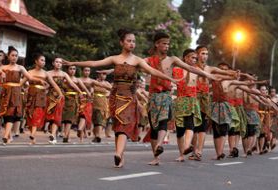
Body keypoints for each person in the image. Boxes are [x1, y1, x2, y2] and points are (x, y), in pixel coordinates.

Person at [63, 29, 177, 168]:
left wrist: (170, 78)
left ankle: (117, 153)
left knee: (123, 125)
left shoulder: (137, 60)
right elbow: (94, 63)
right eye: (129, 41)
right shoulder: (114, 59)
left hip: (129, 98)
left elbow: (153, 71)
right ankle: (120, 157)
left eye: (134, 41)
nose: (132, 43)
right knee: (117, 127)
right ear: (121, 42)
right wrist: (73, 63)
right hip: (115, 97)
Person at [145, 33, 218, 165]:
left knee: (163, 123)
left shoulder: (172, 59)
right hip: (153, 98)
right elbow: (134, 65)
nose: (167, 46)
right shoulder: (149, 60)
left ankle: (162, 145)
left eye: (168, 44)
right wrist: (111, 70)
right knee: (154, 128)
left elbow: (191, 68)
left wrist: (207, 75)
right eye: (164, 43)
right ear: (156, 44)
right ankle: (156, 156)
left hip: (166, 97)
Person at [0, 46, 46, 145]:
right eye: (12, 55)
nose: (14, 57)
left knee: (11, 114)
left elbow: (30, 77)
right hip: (5, 93)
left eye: (16, 56)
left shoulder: (20, 68)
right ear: (8, 56)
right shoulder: (3, 68)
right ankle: (9, 136)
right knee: (4, 114)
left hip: (16, 93)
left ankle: (5, 136)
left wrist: (39, 80)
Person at [22, 53, 63, 144]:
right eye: (41, 60)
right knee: (29, 114)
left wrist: (60, 93)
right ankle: (33, 138)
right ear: (36, 61)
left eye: (44, 60)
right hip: (30, 96)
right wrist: (23, 89)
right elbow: (22, 82)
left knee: (38, 113)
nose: (43, 62)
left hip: (41, 97)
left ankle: (33, 134)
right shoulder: (29, 72)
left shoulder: (45, 73)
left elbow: (53, 84)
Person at [46, 57, 83, 144]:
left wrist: (79, 91)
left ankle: (53, 135)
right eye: (57, 62)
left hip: (60, 96)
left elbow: (72, 84)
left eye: (60, 62)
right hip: (50, 96)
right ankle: (52, 134)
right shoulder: (47, 73)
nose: (58, 64)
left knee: (57, 115)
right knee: (50, 117)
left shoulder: (64, 74)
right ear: (53, 63)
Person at [62, 65, 91, 143]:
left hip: (73, 100)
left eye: (74, 69)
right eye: (70, 69)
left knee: (69, 118)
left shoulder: (77, 80)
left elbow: (84, 88)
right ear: (67, 70)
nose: (72, 70)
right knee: (65, 119)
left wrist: (88, 94)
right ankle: (67, 136)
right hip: (64, 99)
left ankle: (65, 135)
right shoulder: (64, 78)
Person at [92, 71, 112, 143]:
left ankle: (98, 136)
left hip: (103, 103)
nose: (103, 75)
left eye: (105, 74)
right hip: (94, 102)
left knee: (100, 120)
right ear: (98, 74)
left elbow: (112, 91)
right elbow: (91, 90)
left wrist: (107, 95)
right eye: (102, 73)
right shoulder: (94, 82)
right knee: (95, 120)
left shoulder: (107, 84)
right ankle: (96, 135)